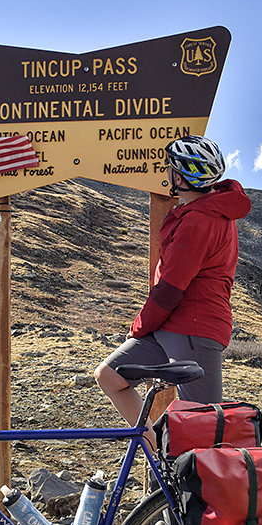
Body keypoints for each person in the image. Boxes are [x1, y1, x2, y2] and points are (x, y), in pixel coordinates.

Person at [95, 135, 251, 441]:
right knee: (110, 376)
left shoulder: (200, 220)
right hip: (174, 328)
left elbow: (170, 289)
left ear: (179, 177)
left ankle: (200, 482)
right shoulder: (210, 212)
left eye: (169, 168)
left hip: (193, 329)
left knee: (204, 427)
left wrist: (139, 327)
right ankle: (159, 455)